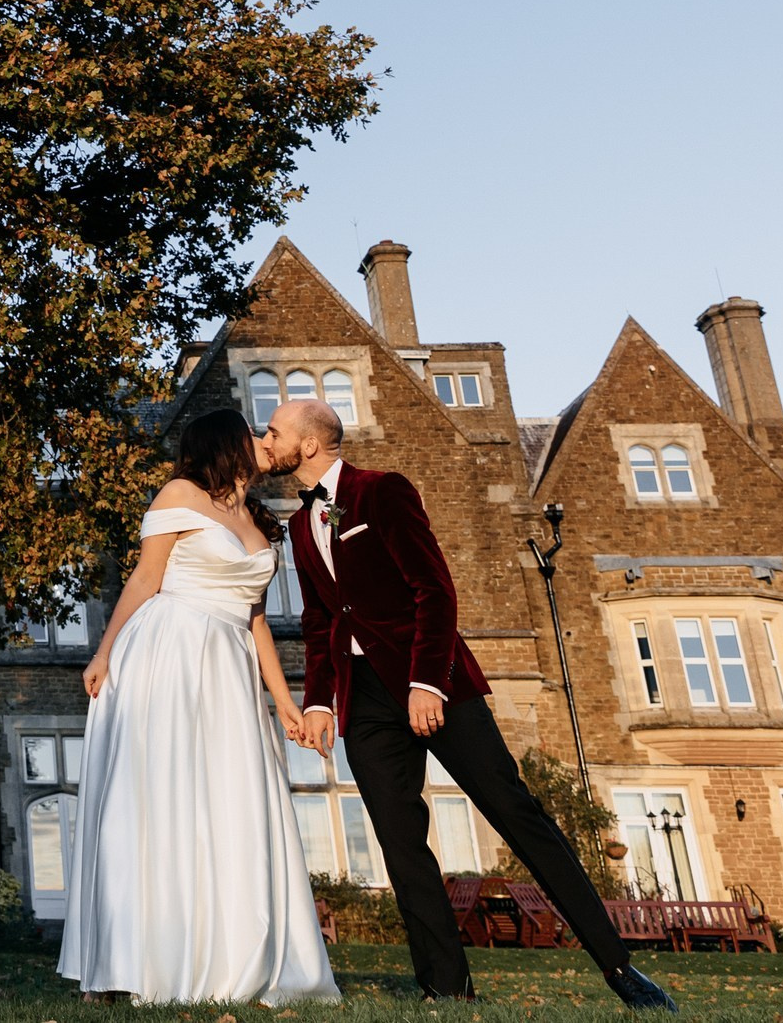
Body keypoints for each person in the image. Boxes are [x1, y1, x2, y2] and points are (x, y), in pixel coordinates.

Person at [261, 398, 676, 1011]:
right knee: (401, 843)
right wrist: (318, 701)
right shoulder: (300, 525)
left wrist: (427, 683)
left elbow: (434, 589)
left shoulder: (384, 491)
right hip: (365, 699)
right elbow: (322, 617)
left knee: (516, 812)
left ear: (311, 444)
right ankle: (447, 989)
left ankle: (620, 969)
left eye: (274, 431)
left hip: (432, 682)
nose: (266, 440)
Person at [57, 408, 340, 1007]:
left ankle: (224, 954)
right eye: (255, 434)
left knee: (227, 802)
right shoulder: (180, 494)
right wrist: (104, 652)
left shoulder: (258, 519)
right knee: (156, 801)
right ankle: (126, 961)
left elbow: (256, 617)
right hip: (171, 651)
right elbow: (143, 579)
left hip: (229, 669)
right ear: (225, 444)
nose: (265, 441)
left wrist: (284, 701)